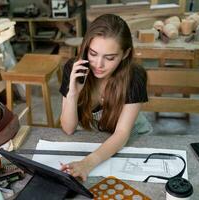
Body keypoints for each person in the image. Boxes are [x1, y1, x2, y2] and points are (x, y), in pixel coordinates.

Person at [59, 14, 152, 181]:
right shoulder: (75, 69)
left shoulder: (134, 77)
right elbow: (68, 128)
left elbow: (122, 133)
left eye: (109, 58)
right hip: (96, 137)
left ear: (125, 54)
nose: (98, 64)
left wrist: (88, 163)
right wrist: (73, 93)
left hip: (132, 137)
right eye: (93, 54)